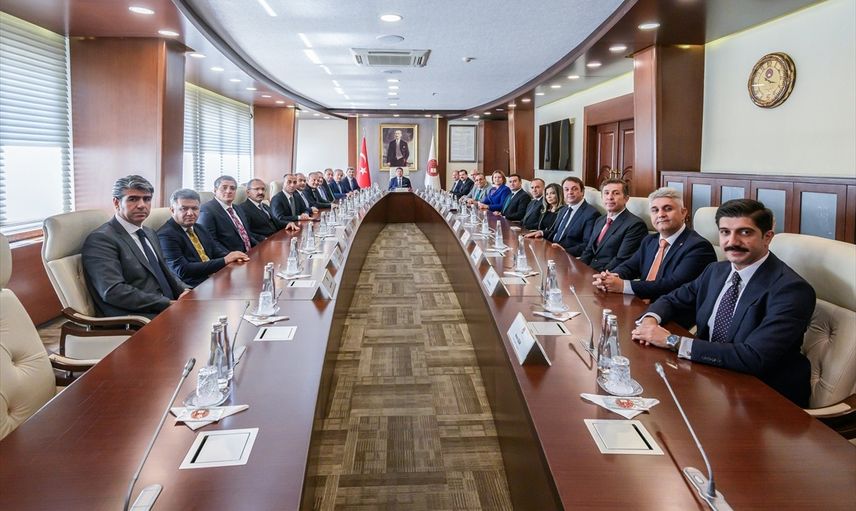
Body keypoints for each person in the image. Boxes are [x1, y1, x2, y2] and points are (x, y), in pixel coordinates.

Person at [631, 199, 815, 407]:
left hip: (762, 398)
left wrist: (672, 341)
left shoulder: (792, 290)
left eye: (745, 232)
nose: (732, 241)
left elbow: (753, 357)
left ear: (767, 237)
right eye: (725, 232)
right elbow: (672, 299)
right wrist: (649, 321)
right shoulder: (716, 271)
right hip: (707, 377)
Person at [82, 175, 188, 318]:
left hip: (168, 307)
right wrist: (167, 303)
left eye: (147, 199)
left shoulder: (149, 232)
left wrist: (185, 291)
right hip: (137, 316)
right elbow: (114, 291)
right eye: (133, 199)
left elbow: (166, 271)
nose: (141, 205)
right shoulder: (101, 239)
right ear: (116, 202)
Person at [593, 187, 716, 301]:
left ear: (683, 213)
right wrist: (609, 277)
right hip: (640, 304)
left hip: (672, 311)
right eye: (655, 210)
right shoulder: (649, 240)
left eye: (668, 209)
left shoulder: (698, 247)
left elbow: (673, 285)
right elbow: (630, 267)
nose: (661, 214)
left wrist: (623, 286)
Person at [158, 188, 250, 287]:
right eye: (184, 208)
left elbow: (216, 252)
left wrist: (234, 257)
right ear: (172, 210)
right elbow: (182, 270)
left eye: (195, 208)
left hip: (216, 279)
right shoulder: (166, 235)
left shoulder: (200, 228)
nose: (190, 213)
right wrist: (225, 260)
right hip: (194, 287)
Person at [579, 179, 647, 271]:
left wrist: (599, 275)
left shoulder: (635, 225)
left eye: (616, 193)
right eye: (606, 193)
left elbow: (622, 260)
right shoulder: (600, 220)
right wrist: (578, 268)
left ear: (626, 198)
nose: (610, 197)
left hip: (608, 274)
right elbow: (589, 250)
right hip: (590, 270)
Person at [526, 177, 598, 257]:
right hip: (551, 249)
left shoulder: (591, 213)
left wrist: (565, 251)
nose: (570, 192)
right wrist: (541, 232)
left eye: (574, 189)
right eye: (566, 189)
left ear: (582, 192)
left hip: (568, 256)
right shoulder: (563, 209)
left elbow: (587, 244)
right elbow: (556, 232)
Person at [198, 175, 263, 254]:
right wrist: (231, 257)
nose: (228, 191)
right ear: (215, 190)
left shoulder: (238, 208)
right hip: (231, 258)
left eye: (232, 188)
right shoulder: (207, 210)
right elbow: (210, 242)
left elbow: (246, 234)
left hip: (250, 253)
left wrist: (260, 246)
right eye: (224, 188)